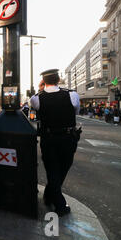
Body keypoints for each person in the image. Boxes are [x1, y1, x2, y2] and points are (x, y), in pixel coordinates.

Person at [30, 69, 80, 217]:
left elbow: (34, 106)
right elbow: (75, 112)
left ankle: (49, 194)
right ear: (59, 79)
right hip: (68, 138)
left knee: (52, 170)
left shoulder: (36, 98)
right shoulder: (72, 94)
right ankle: (60, 204)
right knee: (63, 168)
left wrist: (41, 89)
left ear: (43, 82)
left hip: (49, 139)